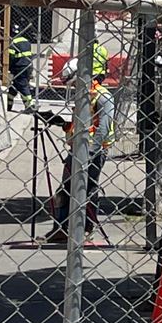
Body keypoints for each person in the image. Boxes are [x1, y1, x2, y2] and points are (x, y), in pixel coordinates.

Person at [47, 74, 114, 244]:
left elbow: (103, 127)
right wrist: (63, 124)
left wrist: (92, 151)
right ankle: (61, 228)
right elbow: (80, 123)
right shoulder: (83, 95)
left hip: (94, 151)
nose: (74, 87)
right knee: (66, 187)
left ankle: (85, 228)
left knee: (88, 188)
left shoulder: (103, 96)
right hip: (77, 149)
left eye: (75, 83)